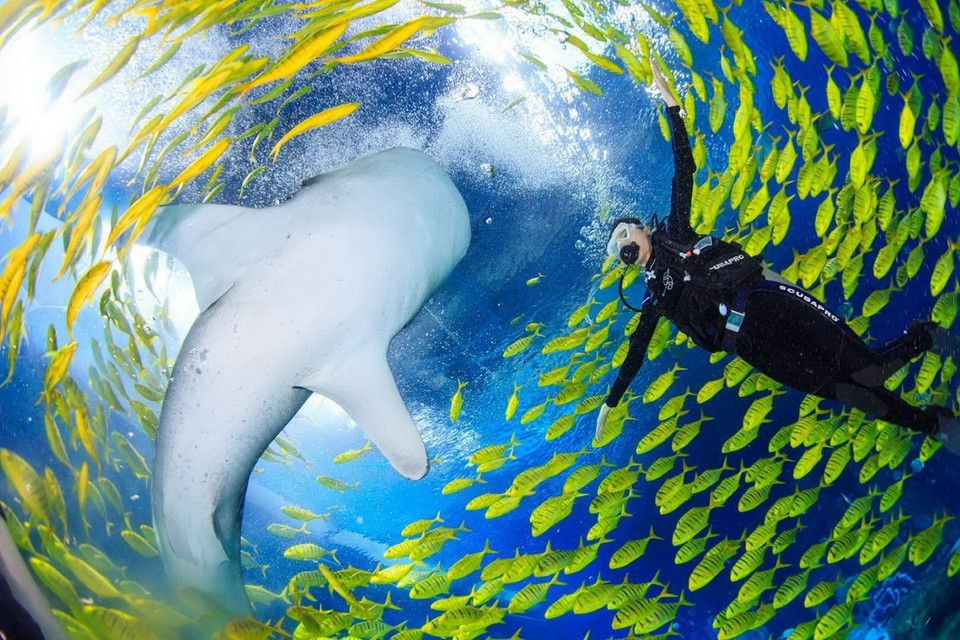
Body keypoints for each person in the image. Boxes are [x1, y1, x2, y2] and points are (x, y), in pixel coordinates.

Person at [595, 59, 960, 452]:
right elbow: (636, 352)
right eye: (616, 247)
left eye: (624, 233)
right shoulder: (654, 299)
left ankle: (923, 336)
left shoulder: (676, 233)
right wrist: (609, 403)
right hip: (752, 347)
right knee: (852, 393)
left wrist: (671, 104)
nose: (622, 244)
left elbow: (684, 170)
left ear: (643, 229)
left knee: (870, 371)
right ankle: (934, 423)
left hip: (764, 301)